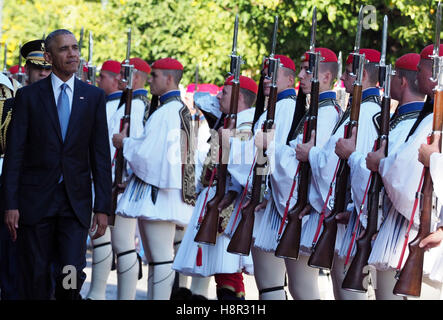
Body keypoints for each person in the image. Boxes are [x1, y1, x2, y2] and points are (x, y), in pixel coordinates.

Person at [2, 29, 112, 300]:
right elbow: (15, 155)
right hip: (35, 202)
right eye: (65, 49)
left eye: (75, 48)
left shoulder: (93, 97)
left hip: (74, 204)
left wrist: (103, 208)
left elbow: (100, 155)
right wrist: (10, 204)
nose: (73, 53)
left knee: (70, 273)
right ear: (50, 57)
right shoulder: (28, 97)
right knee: (36, 275)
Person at [297, 48, 381, 300]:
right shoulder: (367, 110)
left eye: (348, 73)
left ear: (363, 74)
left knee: (347, 294)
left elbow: (332, 163)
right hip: (354, 212)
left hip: (353, 217)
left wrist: (309, 154)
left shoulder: (363, 112)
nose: (342, 79)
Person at [257, 47, 341, 299]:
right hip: (299, 205)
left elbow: (303, 160)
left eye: (308, 70)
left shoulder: (325, 113)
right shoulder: (313, 111)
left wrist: (268, 145)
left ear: (325, 77)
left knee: (302, 288)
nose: (301, 75)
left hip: (308, 208)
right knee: (295, 286)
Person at [112, 57, 195, 300]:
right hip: (162, 190)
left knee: (160, 259)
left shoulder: (167, 112)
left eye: (155, 75)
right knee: (157, 260)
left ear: (169, 79)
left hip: (160, 193)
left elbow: (149, 156)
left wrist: (124, 143)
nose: (150, 78)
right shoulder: (171, 109)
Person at [366, 44, 443, 300]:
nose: (418, 75)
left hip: (421, 228)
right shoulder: (428, 114)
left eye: (421, 70)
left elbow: (403, 174)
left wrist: (380, 163)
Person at [173, 75, 257, 300]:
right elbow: (201, 99)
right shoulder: (231, 120)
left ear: (239, 97)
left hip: (230, 203)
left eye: (225, 92)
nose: (218, 96)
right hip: (218, 201)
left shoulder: (245, 125)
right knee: (225, 273)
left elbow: (241, 170)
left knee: (228, 271)